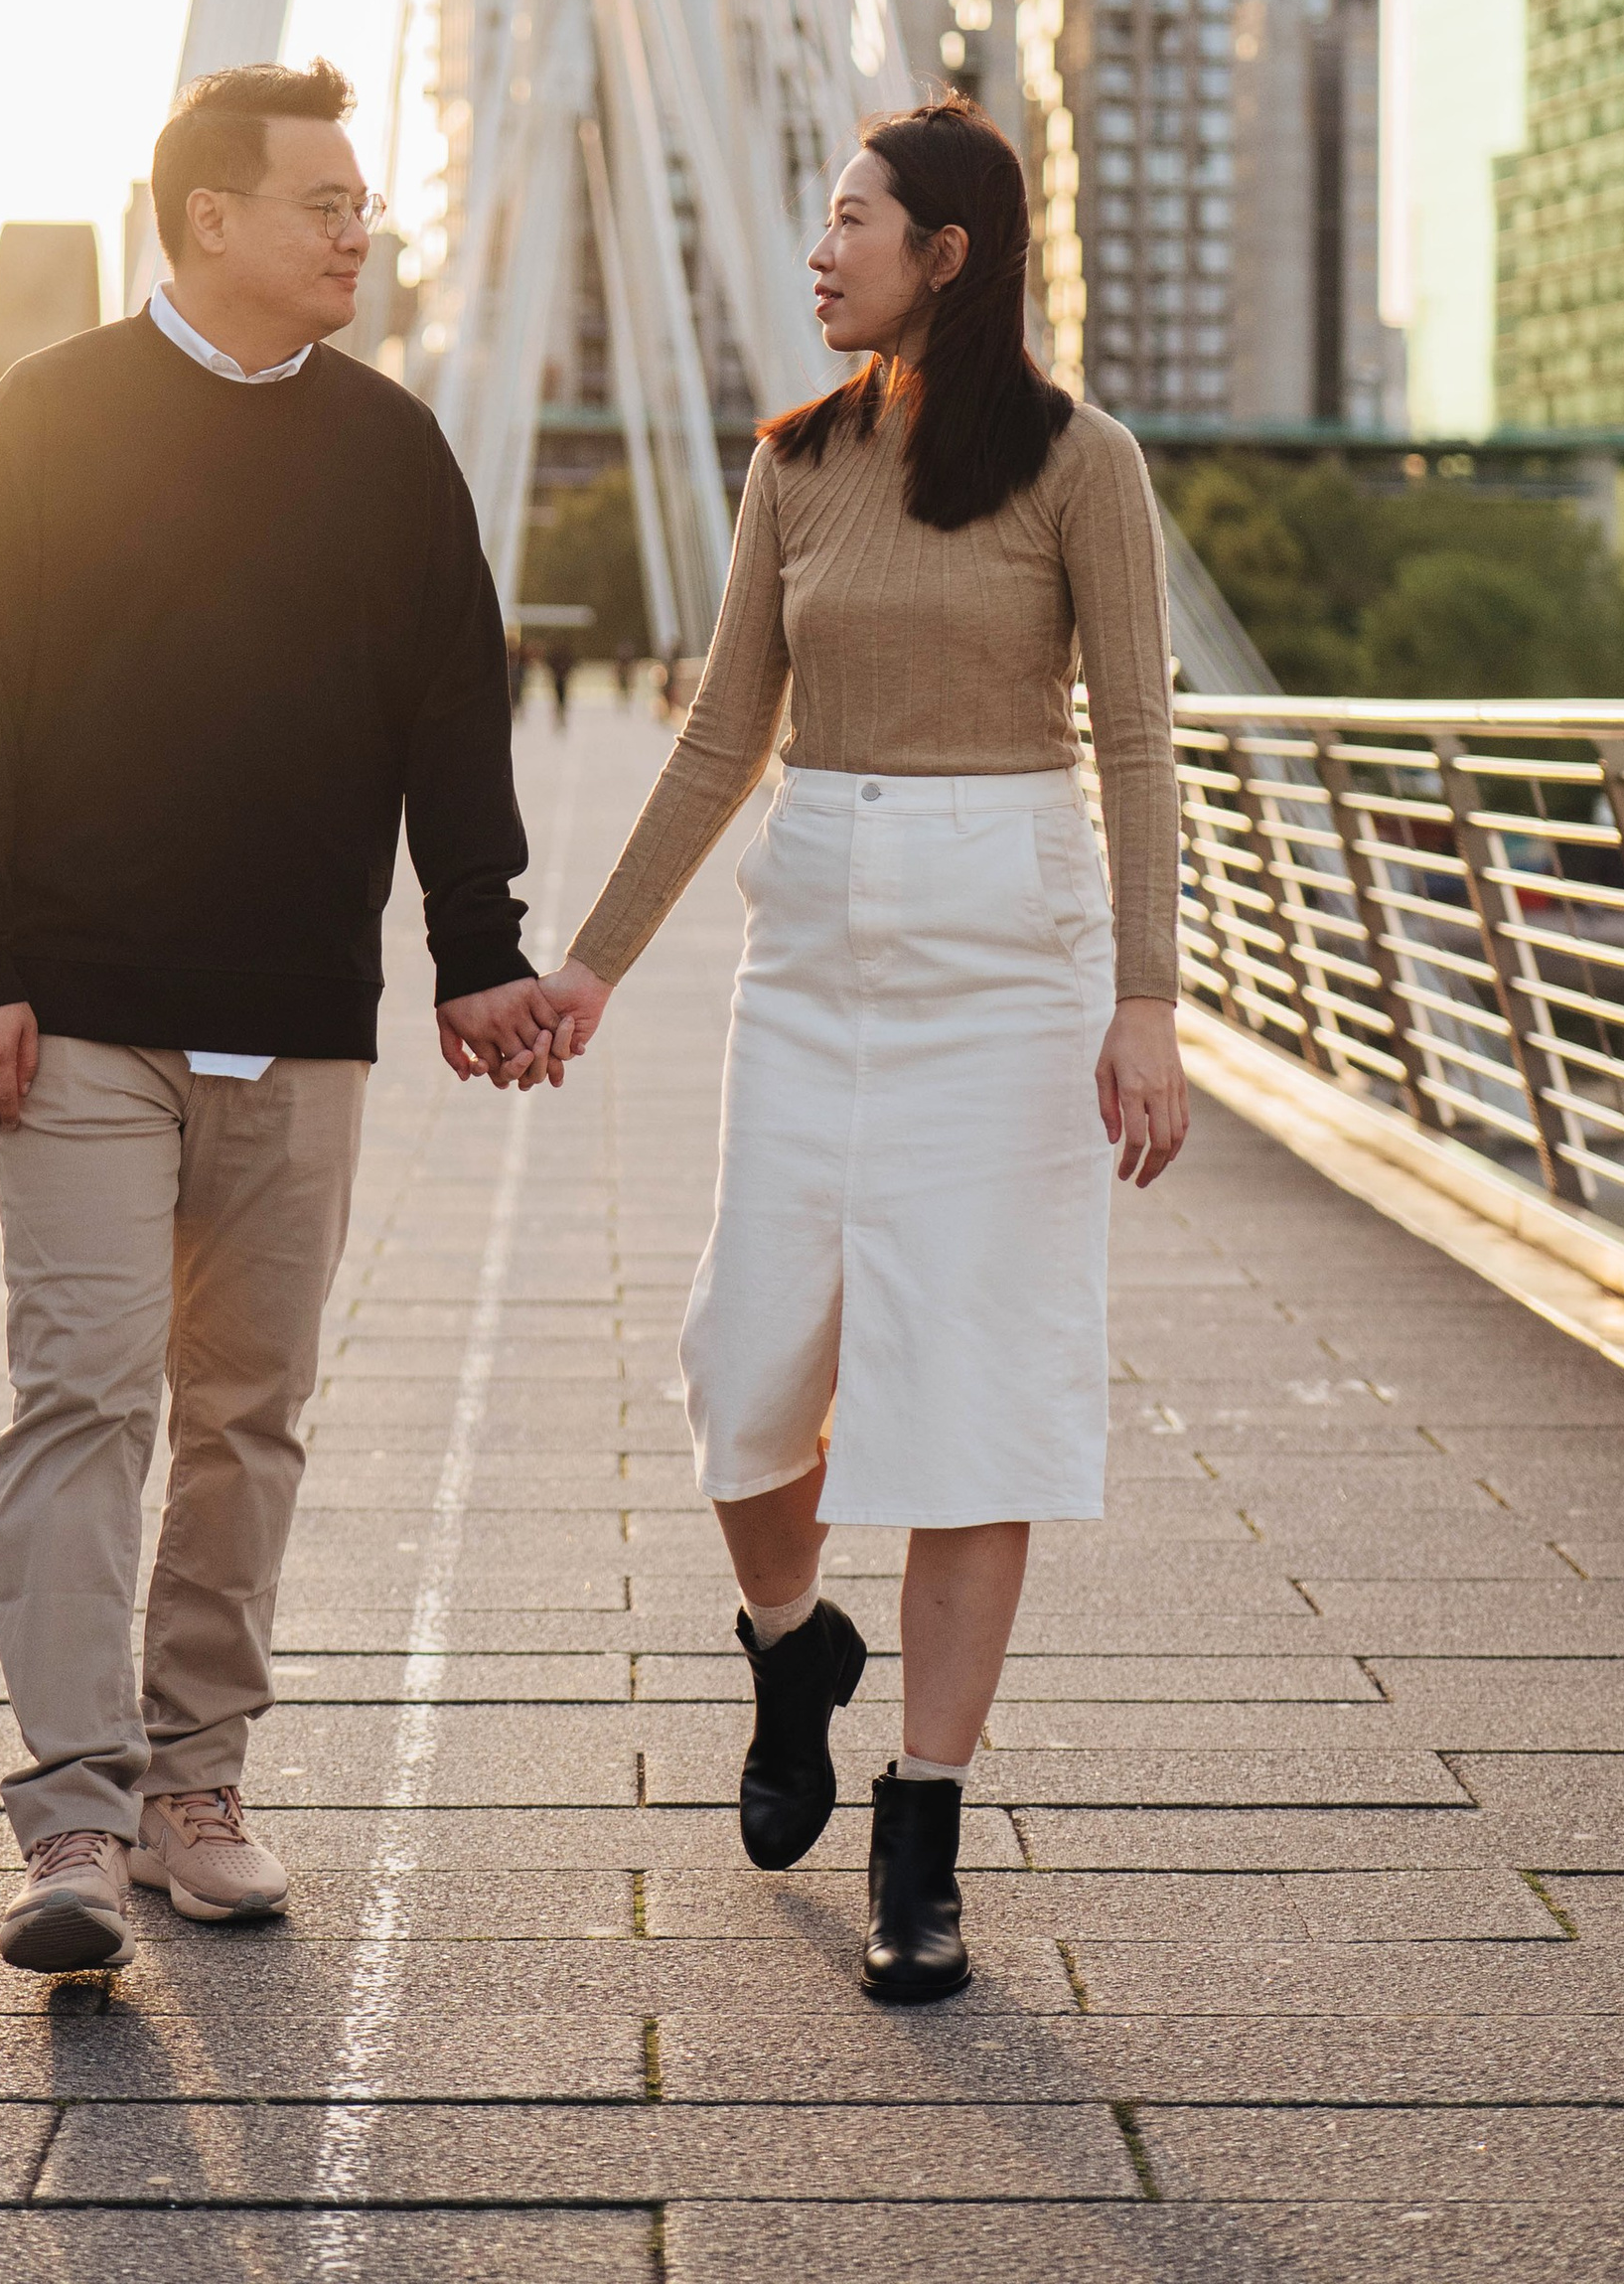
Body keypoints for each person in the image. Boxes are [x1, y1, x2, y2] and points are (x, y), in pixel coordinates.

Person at [0, 58, 560, 1978]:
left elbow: (456, 712)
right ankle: (79, 1824)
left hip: (301, 1016)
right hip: (83, 1019)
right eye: (325, 202)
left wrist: (478, 950)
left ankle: (202, 1785)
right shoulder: (39, 425)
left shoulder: (393, 450)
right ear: (210, 221)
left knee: (248, 1415)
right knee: (86, 1393)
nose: (361, 229)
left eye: (362, 203)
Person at [538, 99, 1185, 2006]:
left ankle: (924, 1840)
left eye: (850, 223)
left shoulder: (1084, 468)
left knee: (972, 1406)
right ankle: (791, 1638)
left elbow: (1140, 739)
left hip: (1012, 951)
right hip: (814, 943)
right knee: (747, 1368)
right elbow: (722, 736)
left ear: (947, 254)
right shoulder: (796, 465)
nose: (818, 255)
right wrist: (589, 966)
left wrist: (1146, 1002)